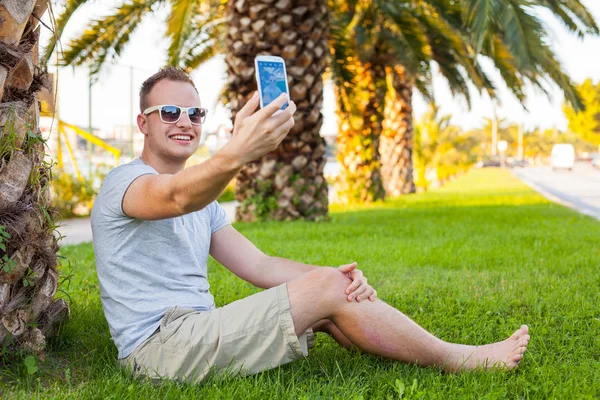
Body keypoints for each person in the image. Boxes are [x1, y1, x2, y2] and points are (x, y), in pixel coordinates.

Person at [91, 67, 530, 383]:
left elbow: (260, 265)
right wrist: (239, 151)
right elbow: (175, 196)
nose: (184, 122)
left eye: (194, 114)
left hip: (194, 331)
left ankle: (398, 351)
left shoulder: (205, 205)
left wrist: (336, 279)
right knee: (324, 292)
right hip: (158, 349)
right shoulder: (125, 183)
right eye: (169, 112)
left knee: (330, 291)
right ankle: (461, 359)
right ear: (142, 124)